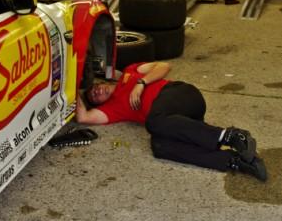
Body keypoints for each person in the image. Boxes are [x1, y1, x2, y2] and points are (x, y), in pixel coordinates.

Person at [76, 61, 267, 180]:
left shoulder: (130, 72)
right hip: (179, 123)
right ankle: (235, 162)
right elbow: (83, 117)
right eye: (93, 96)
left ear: (103, 81)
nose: (96, 91)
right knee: (160, 147)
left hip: (183, 95)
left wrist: (141, 84)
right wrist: (71, 87)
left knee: (154, 122)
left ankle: (231, 136)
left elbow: (164, 66)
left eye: (96, 87)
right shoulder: (111, 110)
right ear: (98, 104)